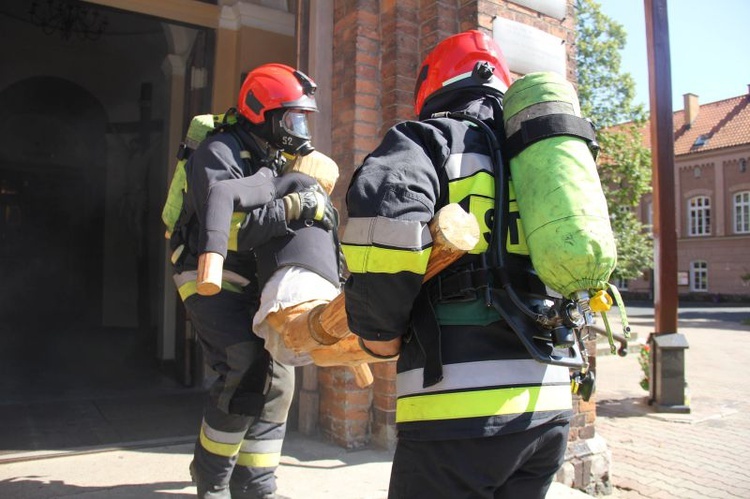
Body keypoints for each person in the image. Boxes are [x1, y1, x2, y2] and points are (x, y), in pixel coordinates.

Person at [341, 30, 574, 499]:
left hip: (456, 415)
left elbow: (384, 229)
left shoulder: (425, 140)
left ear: (432, 88)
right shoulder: (537, 161)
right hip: (548, 408)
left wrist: (378, 334)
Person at [169, 62, 335, 499]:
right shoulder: (218, 153)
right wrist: (292, 207)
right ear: (263, 112)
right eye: (293, 117)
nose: (300, 127)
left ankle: (256, 484)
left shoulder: (273, 157)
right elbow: (225, 230)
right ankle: (213, 482)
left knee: (281, 377)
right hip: (209, 275)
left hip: (256, 280)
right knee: (244, 364)